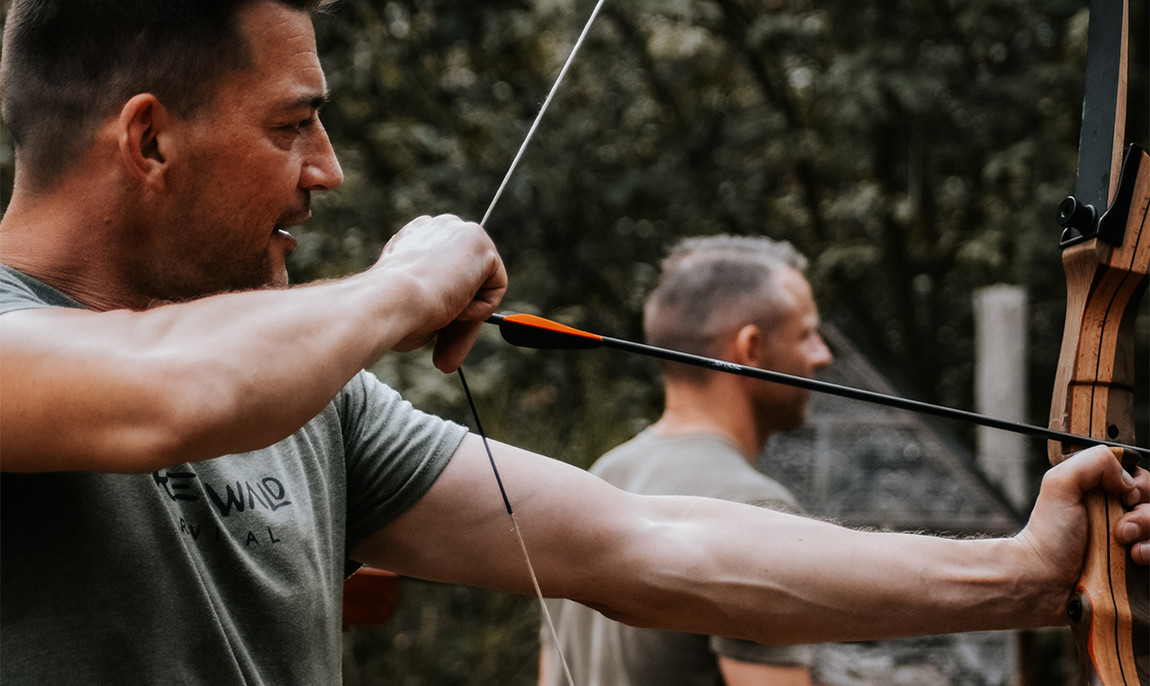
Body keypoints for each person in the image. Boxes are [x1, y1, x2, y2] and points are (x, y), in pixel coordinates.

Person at [0, 1, 1147, 684]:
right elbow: (180, 391)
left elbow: (645, 541)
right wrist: (405, 284)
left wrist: (1027, 573)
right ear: (149, 142)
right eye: (293, 124)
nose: (327, 168)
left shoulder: (315, 402)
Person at [540, 236, 830, 686]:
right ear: (750, 350)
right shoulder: (752, 508)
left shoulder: (597, 477)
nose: (822, 356)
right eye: (806, 334)